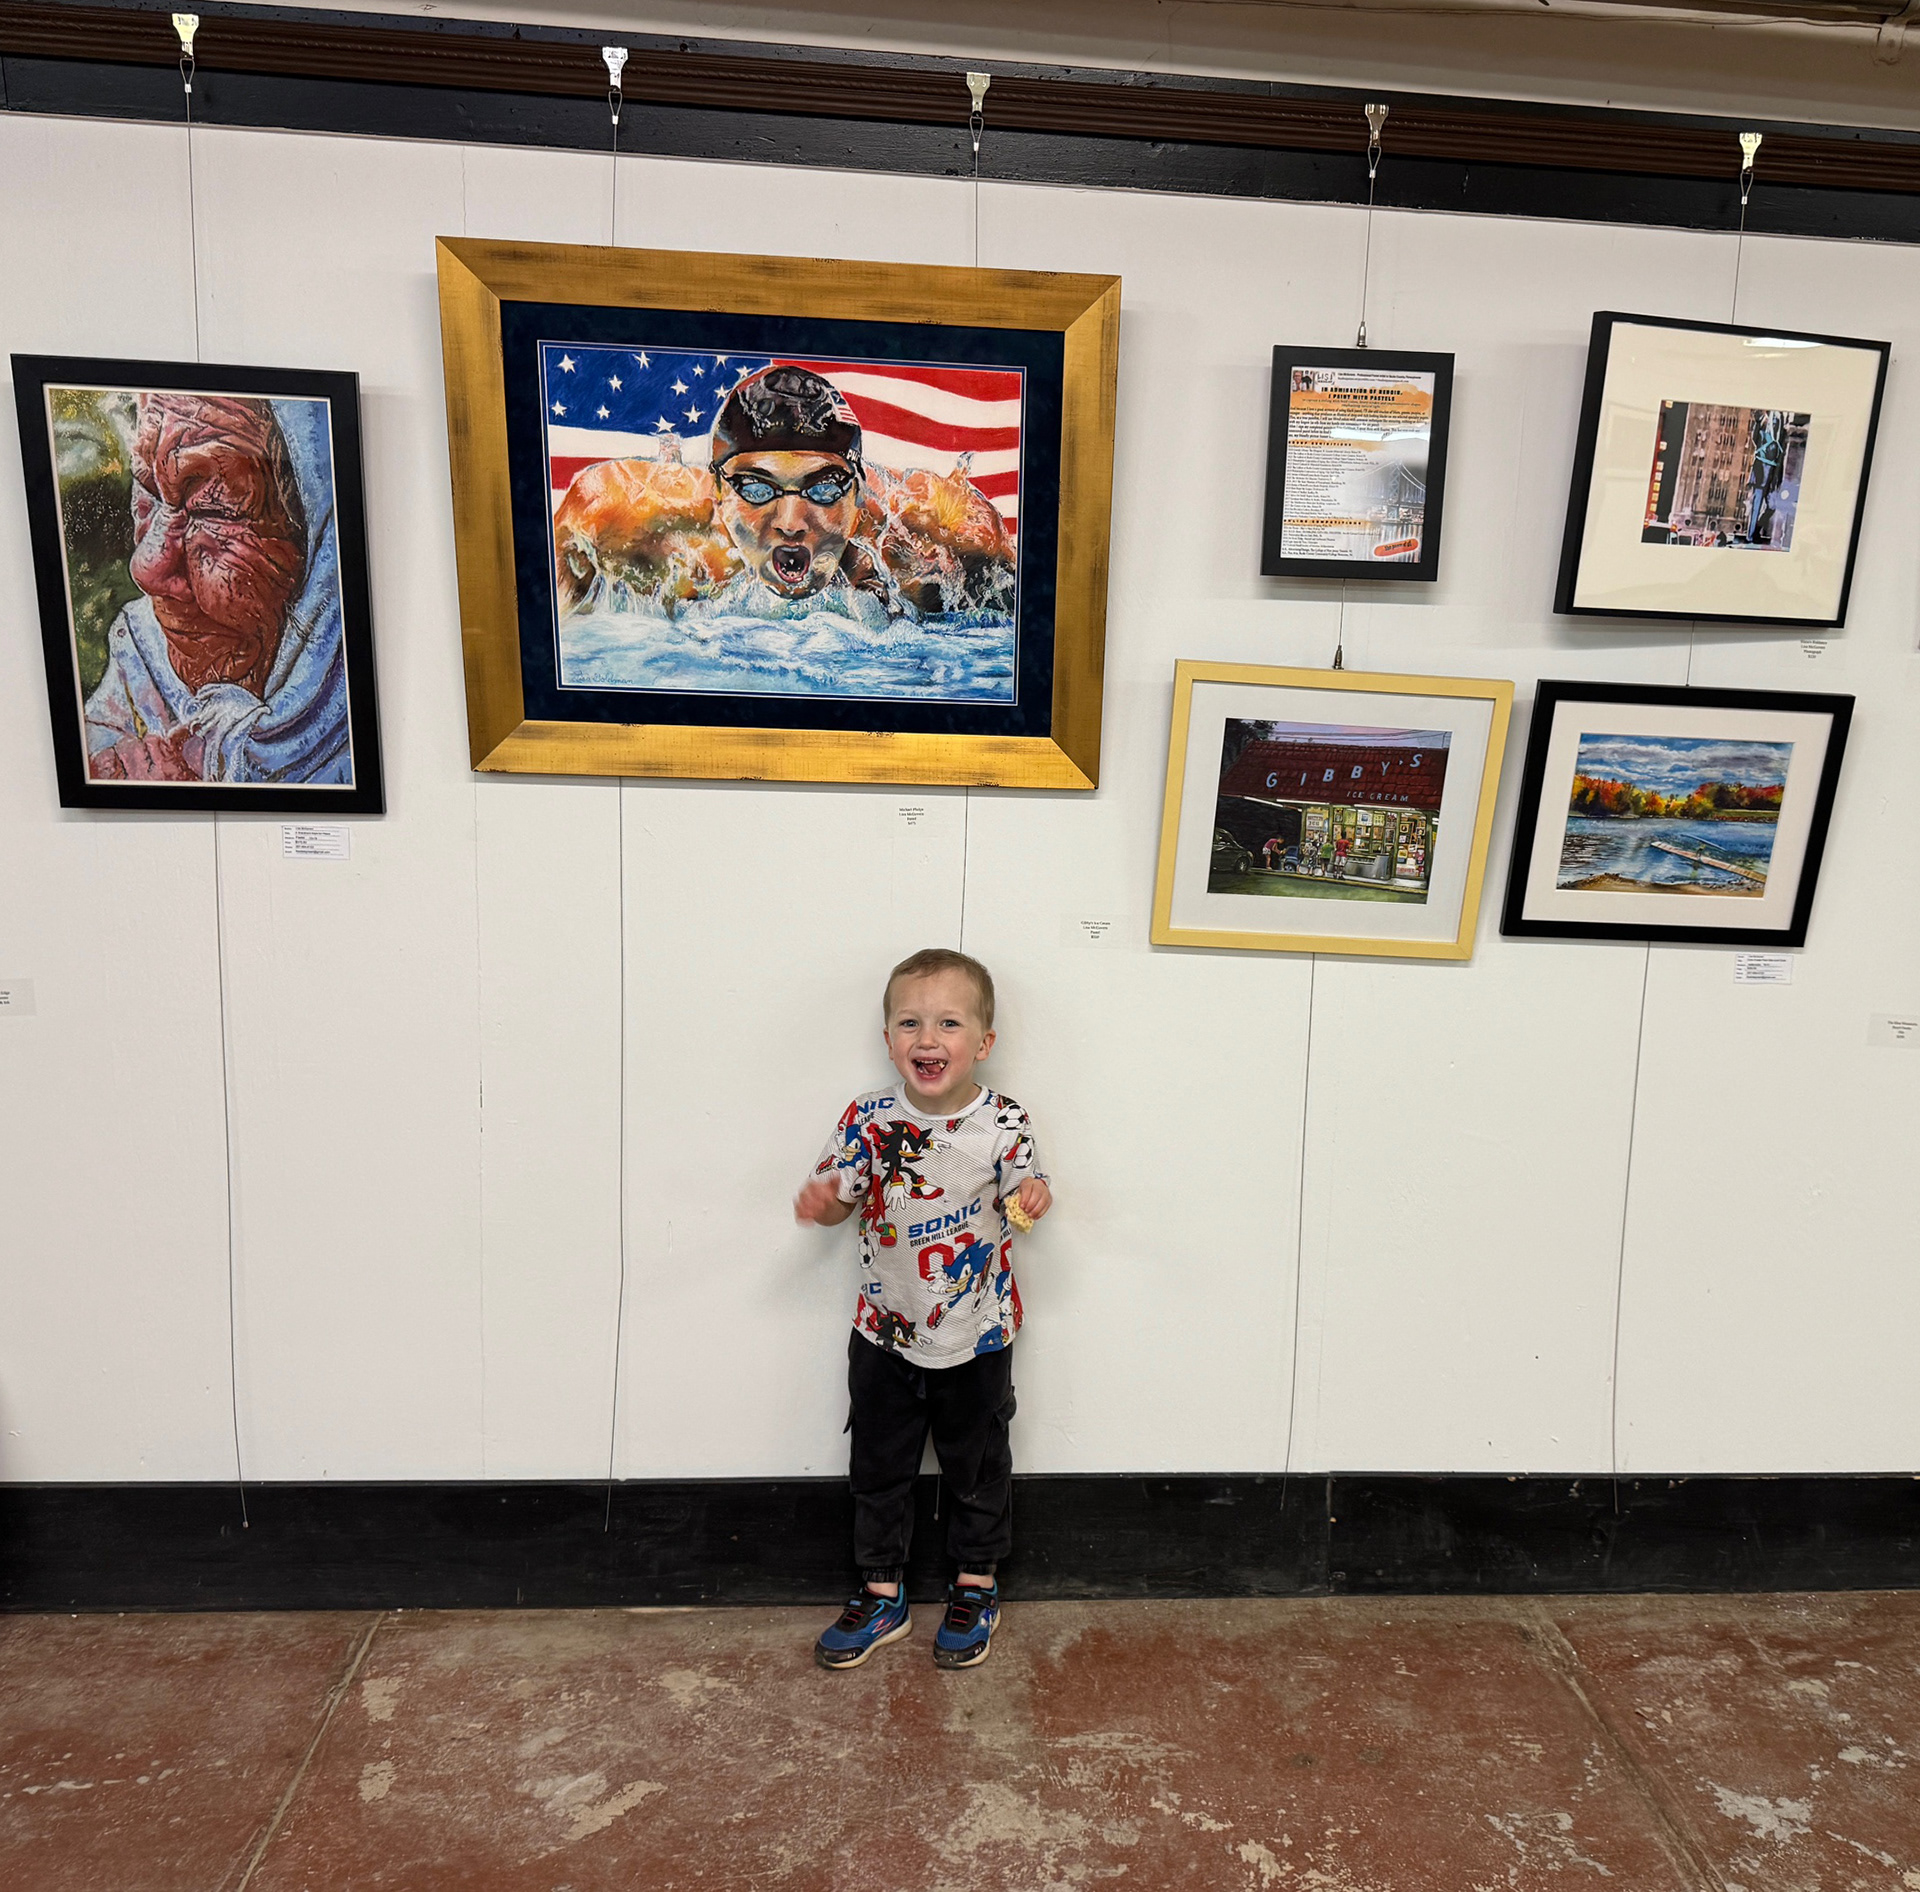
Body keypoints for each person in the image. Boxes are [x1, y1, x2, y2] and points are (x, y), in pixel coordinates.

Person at [794, 947, 1051, 1673]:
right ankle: (882, 1593)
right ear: (888, 1039)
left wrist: (1033, 1197)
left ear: (984, 1042)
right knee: (878, 1467)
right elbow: (841, 1200)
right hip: (884, 1330)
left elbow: (1026, 1192)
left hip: (978, 1331)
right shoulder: (870, 1118)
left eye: (948, 1023)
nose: (927, 1039)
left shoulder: (1004, 1120)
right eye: (910, 1023)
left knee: (979, 1465)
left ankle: (976, 1586)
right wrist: (824, 1203)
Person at [82, 393, 352, 784]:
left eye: (211, 510)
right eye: (148, 495)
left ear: (317, 547)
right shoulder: (140, 654)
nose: (146, 570)